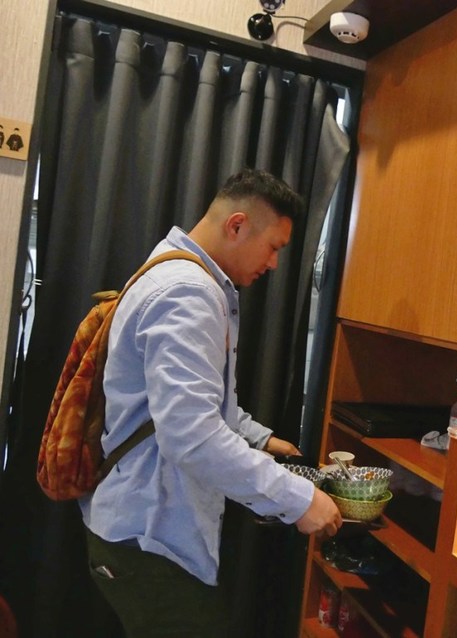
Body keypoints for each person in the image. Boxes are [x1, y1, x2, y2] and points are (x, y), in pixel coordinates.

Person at [79, 168, 342, 637]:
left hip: (134, 524)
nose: (274, 264)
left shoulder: (168, 267)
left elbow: (194, 401)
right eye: (274, 247)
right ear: (237, 225)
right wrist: (299, 500)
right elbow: (192, 436)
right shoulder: (189, 293)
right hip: (151, 536)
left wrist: (260, 438)